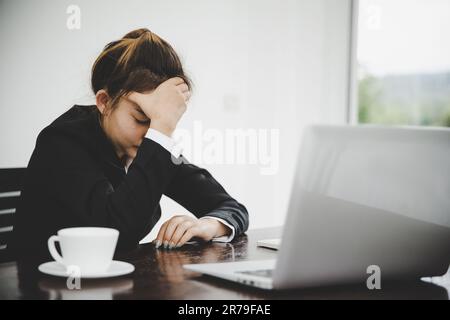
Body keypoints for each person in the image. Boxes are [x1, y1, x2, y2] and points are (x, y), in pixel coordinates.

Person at [12, 28, 249, 262]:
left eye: (160, 121)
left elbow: (231, 207)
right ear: (104, 102)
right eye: (141, 119)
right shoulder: (61, 143)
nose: (151, 133)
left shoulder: (150, 147)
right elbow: (116, 234)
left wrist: (210, 224)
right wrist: (160, 130)